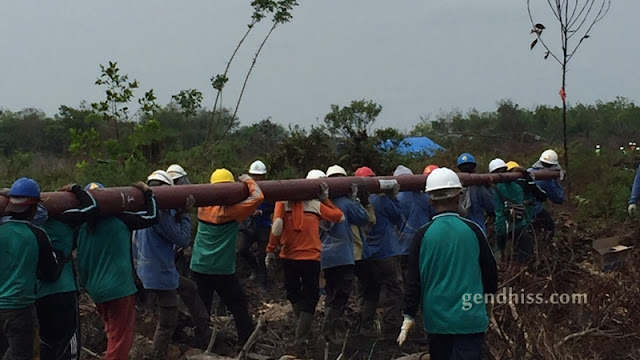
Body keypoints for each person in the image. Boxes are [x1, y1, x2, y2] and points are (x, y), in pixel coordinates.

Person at [398, 168, 498, 360]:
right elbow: (490, 272)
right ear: (458, 196)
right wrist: (488, 299)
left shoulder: (422, 235)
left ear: (430, 200)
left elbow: (413, 281)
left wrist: (409, 314)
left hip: (437, 321)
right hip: (470, 318)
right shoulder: (474, 230)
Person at [76, 181, 158, 360]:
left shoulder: (82, 228)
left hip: (97, 291)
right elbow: (153, 217)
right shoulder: (120, 220)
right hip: (119, 289)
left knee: (112, 332)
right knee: (121, 339)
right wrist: (148, 194)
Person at [132, 170, 209, 358]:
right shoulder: (160, 212)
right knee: (167, 322)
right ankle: (157, 355)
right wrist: (184, 215)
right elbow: (182, 238)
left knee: (189, 287)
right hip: (159, 273)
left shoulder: (144, 207)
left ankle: (203, 330)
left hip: (145, 270)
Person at [265, 169, 344, 351]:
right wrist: (325, 199)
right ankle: (302, 334)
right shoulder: (315, 205)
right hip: (310, 258)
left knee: (293, 292)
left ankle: (302, 334)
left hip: (290, 256)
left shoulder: (283, 203)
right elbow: (338, 216)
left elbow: (276, 228)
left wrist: (270, 249)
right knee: (310, 295)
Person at [190, 169, 264, 347]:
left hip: (199, 266)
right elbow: (258, 197)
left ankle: (200, 344)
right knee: (238, 305)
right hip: (222, 269)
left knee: (202, 308)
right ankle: (246, 342)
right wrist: (248, 180)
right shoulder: (231, 211)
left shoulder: (203, 207)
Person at [0, 178, 63, 360]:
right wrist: (61, 259)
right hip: (19, 309)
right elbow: (50, 274)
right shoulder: (37, 235)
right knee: (22, 355)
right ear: (33, 209)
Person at [35, 184, 100, 360]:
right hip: (64, 291)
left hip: (39, 294)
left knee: (47, 344)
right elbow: (93, 207)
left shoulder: (31, 223)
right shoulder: (65, 219)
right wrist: (75, 189)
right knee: (68, 345)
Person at [319, 165, 369, 343]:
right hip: (343, 256)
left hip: (325, 256)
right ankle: (328, 327)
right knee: (341, 293)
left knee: (332, 291)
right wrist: (355, 200)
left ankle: (330, 332)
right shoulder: (345, 203)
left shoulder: (317, 203)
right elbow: (363, 219)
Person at [357, 166, 404, 335]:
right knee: (394, 289)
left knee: (367, 289)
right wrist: (393, 197)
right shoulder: (381, 201)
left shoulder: (355, 203)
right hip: (387, 252)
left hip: (366, 254)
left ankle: (364, 323)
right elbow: (398, 215)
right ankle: (391, 326)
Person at [237, 160, 274, 289]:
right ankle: (255, 269)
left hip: (263, 224)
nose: (257, 178)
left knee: (262, 253)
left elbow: (274, 207)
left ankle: (262, 282)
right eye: (254, 175)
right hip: (248, 224)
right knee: (242, 249)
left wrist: (261, 211)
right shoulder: (244, 188)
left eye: (259, 175)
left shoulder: (269, 189)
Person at [395, 165, 435, 281]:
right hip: (423, 244)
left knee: (406, 278)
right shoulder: (424, 197)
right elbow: (433, 214)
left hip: (402, 246)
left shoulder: (396, 199)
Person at [490, 159, 532, 263]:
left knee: (499, 253)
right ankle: (520, 271)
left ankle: (500, 267)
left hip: (502, 226)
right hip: (519, 223)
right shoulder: (517, 187)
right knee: (523, 254)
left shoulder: (494, 189)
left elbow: (491, 206)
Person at [528, 149, 565, 240]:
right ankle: (545, 246)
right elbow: (558, 198)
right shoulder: (546, 181)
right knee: (550, 227)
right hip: (534, 209)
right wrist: (557, 181)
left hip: (521, 208)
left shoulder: (529, 171)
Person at [456, 153, 495, 233]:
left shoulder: (454, 188)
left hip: (460, 230)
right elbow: (491, 206)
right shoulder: (479, 188)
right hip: (478, 229)